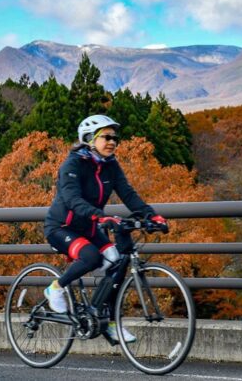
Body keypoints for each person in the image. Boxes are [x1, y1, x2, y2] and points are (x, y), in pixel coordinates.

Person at [43, 114, 167, 342]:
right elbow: (72, 199)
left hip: (89, 226)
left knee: (116, 262)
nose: (112, 142)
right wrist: (101, 217)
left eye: (115, 138)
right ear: (89, 138)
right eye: (106, 137)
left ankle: (108, 321)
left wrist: (151, 215)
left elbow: (127, 193)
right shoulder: (72, 164)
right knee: (90, 257)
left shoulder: (110, 165)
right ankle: (55, 288)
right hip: (62, 226)